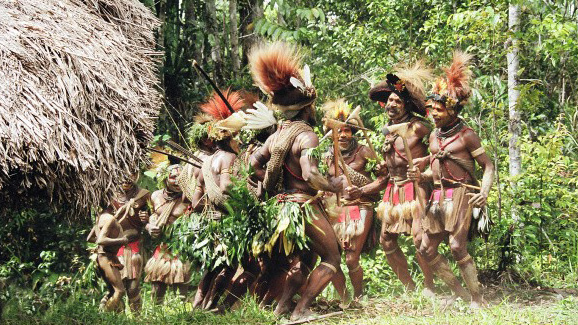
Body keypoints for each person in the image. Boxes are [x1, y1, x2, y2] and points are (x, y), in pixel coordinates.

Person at [248, 41, 345, 320]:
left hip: (281, 207)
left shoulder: (274, 137)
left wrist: (269, 185)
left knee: (306, 258)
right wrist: (331, 185)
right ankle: (300, 310)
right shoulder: (306, 135)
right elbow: (310, 174)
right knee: (332, 258)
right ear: (308, 107)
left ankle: (281, 308)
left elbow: (252, 166)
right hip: (302, 207)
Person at [408, 51, 494, 308]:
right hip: (437, 196)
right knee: (425, 248)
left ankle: (477, 298)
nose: (434, 113)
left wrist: (485, 192)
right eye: (431, 108)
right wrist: (420, 175)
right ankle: (459, 291)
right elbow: (435, 168)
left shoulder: (467, 135)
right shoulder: (434, 135)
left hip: (461, 193)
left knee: (457, 246)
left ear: (452, 109)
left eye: (439, 109)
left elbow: (488, 166)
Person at [346, 62, 435, 295]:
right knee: (386, 241)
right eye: (390, 100)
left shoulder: (418, 127)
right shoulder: (386, 130)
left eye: (398, 100)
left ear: (406, 104)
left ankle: (430, 287)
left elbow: (439, 148)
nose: (392, 104)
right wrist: (367, 187)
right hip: (392, 190)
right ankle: (410, 287)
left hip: (415, 187)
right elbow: (385, 175)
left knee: (419, 239)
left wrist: (425, 163)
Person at [322, 99, 377, 299]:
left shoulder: (364, 151)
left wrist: (362, 191)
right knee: (332, 257)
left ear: (353, 132)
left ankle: (359, 296)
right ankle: (344, 298)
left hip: (359, 206)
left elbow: (383, 179)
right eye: (339, 131)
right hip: (335, 209)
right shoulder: (326, 157)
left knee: (352, 258)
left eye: (347, 131)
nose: (343, 135)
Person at [144, 164, 191, 304]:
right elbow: (151, 215)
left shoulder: (189, 197)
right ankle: (155, 315)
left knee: (181, 285)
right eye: (173, 177)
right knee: (157, 286)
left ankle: (182, 315)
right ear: (165, 179)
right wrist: (150, 226)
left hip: (182, 245)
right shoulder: (155, 196)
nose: (177, 181)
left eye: (181, 178)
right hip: (163, 245)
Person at [105, 173, 150, 312]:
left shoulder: (143, 195)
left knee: (133, 288)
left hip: (133, 246)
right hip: (113, 247)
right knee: (117, 287)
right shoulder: (109, 196)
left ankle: (138, 319)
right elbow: (101, 222)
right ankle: (117, 318)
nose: (126, 178)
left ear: (136, 175)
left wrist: (146, 219)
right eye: (123, 173)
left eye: (131, 174)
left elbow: (151, 219)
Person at [87, 211, 131, 312]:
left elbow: (89, 238)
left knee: (112, 290)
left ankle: (114, 315)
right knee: (119, 291)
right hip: (105, 258)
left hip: (105, 257)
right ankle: (104, 317)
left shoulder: (99, 220)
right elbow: (100, 240)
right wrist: (121, 241)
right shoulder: (110, 219)